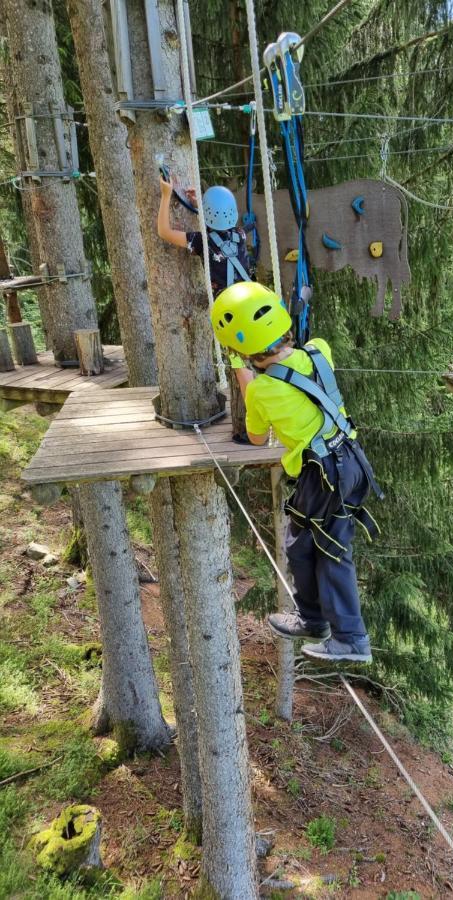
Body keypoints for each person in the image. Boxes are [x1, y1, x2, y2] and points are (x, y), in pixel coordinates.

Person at [210, 281, 383, 663]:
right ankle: (314, 619)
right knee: (303, 544)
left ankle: (350, 637)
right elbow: (299, 360)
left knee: (329, 549)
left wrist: (245, 379)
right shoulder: (319, 350)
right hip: (350, 460)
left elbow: (256, 438)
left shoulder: (260, 391)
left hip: (321, 473)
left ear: (242, 350)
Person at [157, 177, 251, 291]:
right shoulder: (240, 234)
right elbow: (218, 222)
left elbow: (164, 232)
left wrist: (166, 195)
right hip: (249, 293)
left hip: (227, 304)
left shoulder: (202, 241)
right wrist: (201, 205)